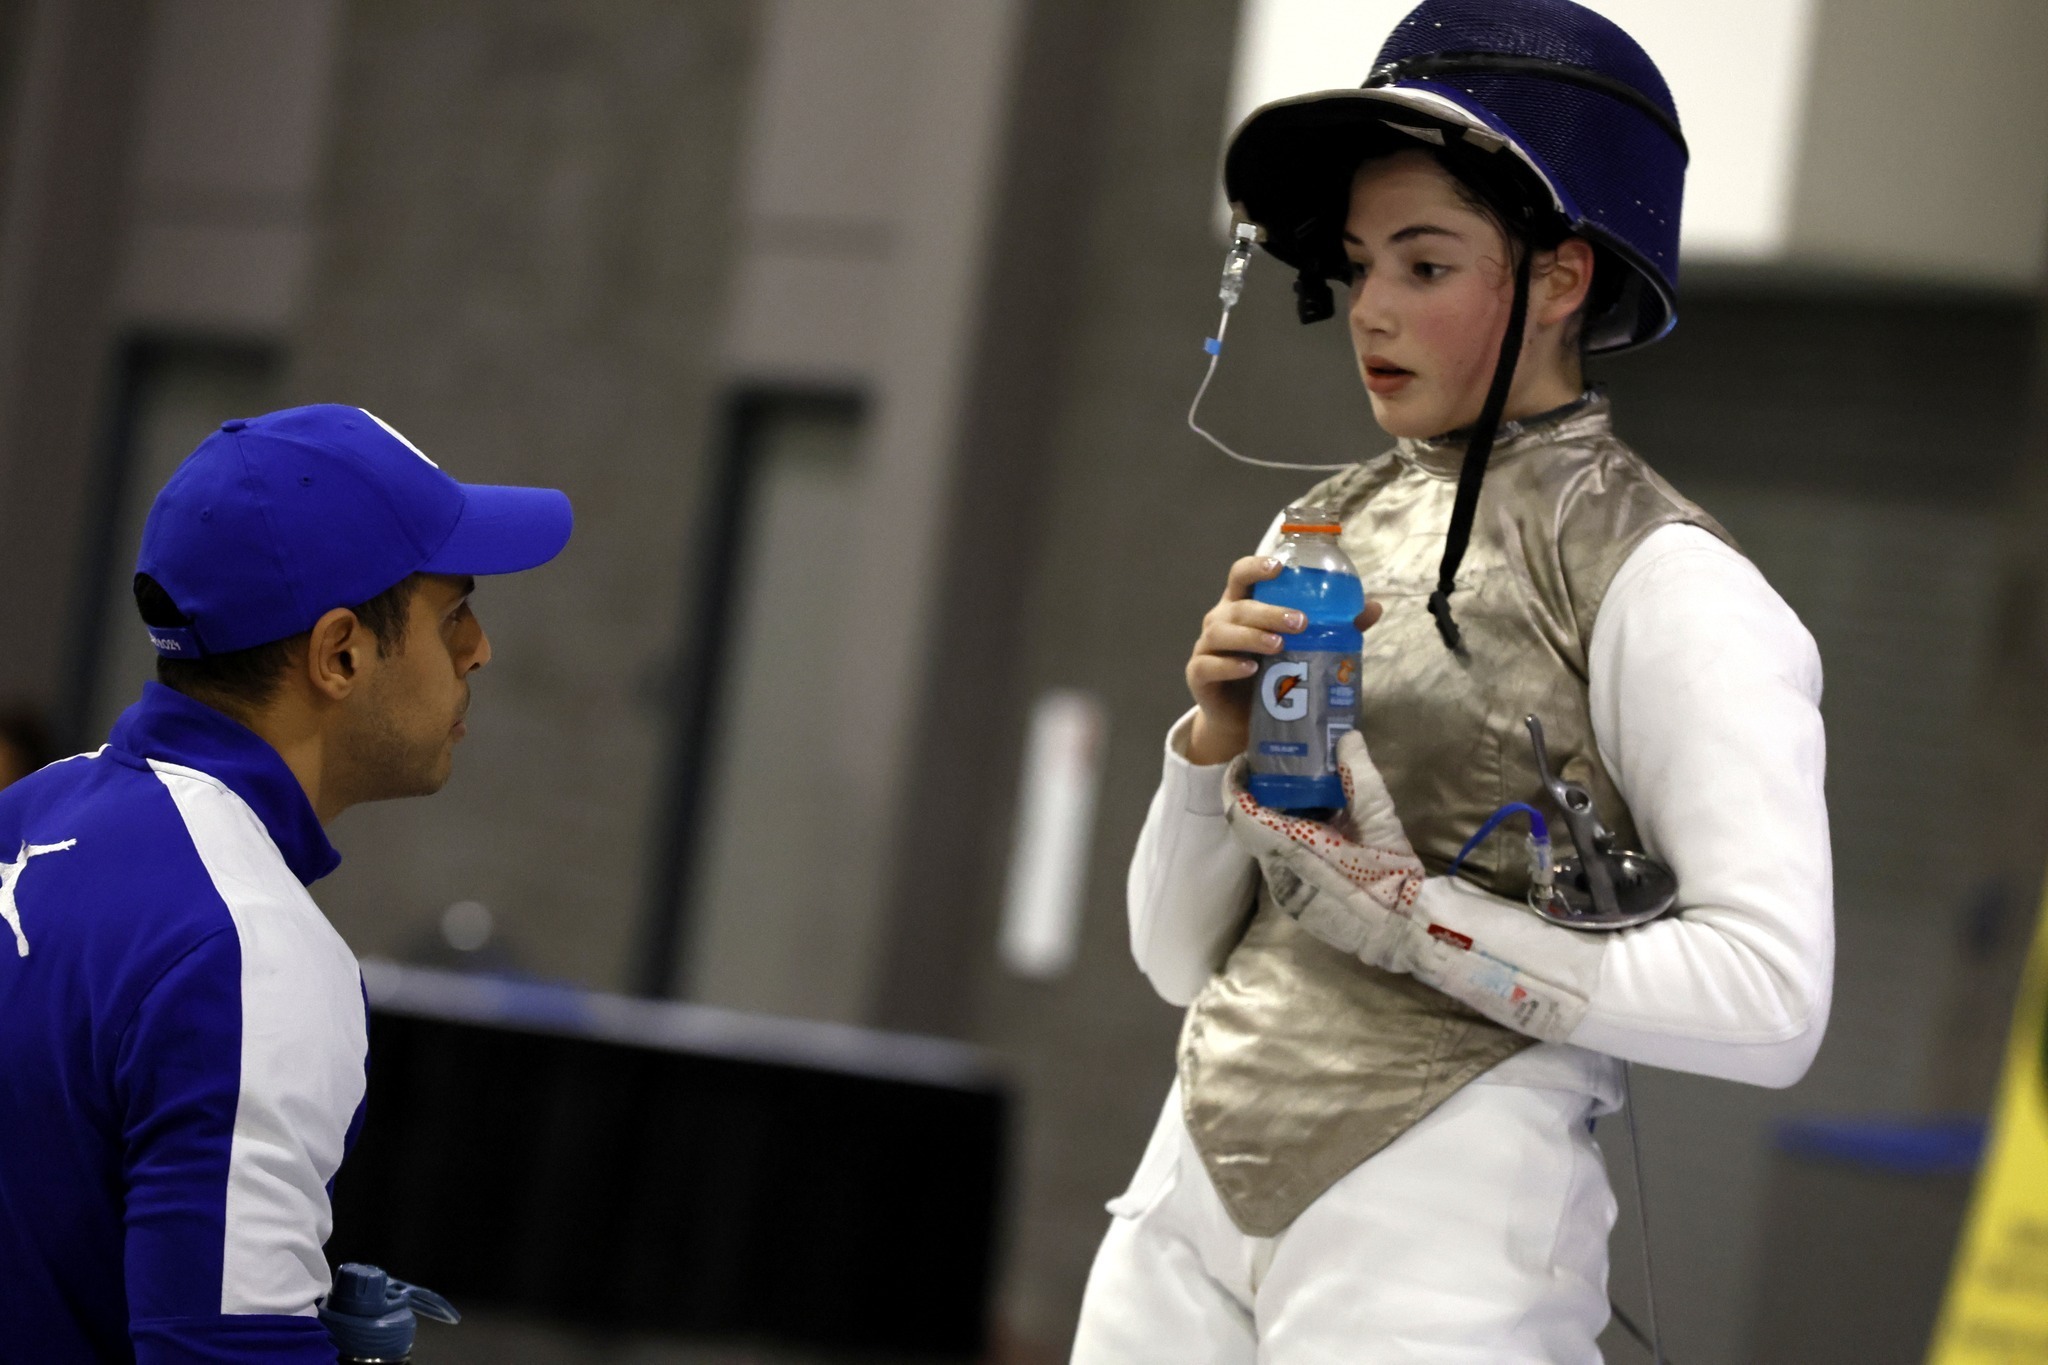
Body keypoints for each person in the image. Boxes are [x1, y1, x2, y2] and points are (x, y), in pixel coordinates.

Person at [1070, 1, 1833, 1360]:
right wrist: (1208, 744)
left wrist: (1422, 923)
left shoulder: (1664, 581)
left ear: (1558, 277)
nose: (1370, 306)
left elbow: (1772, 1000)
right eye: (1361, 264)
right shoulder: (1317, 533)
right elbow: (1178, 957)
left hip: (1447, 1218)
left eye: (1426, 263)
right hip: (1189, 1184)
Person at [0, 405, 571, 1361]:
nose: (479, 650)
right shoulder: (246, 948)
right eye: (454, 613)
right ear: (340, 652)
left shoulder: (29, 812)